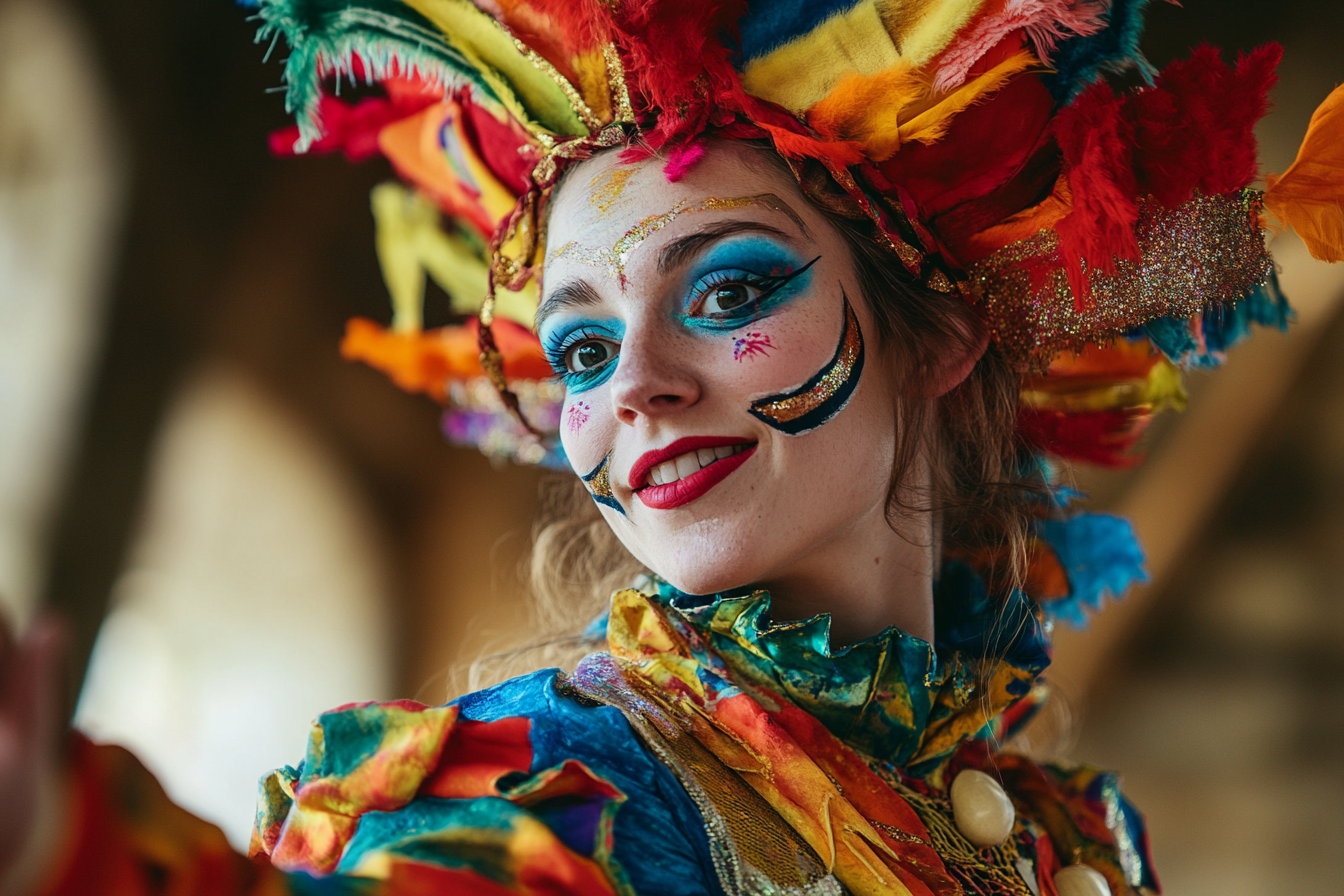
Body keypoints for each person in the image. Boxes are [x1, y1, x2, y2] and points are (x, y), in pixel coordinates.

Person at [3, 1, 1342, 894]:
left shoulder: (1081, 839)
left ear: (941, 339)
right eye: (580, 348)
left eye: (730, 292)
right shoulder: (562, 785)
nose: (634, 385)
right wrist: (64, 843)